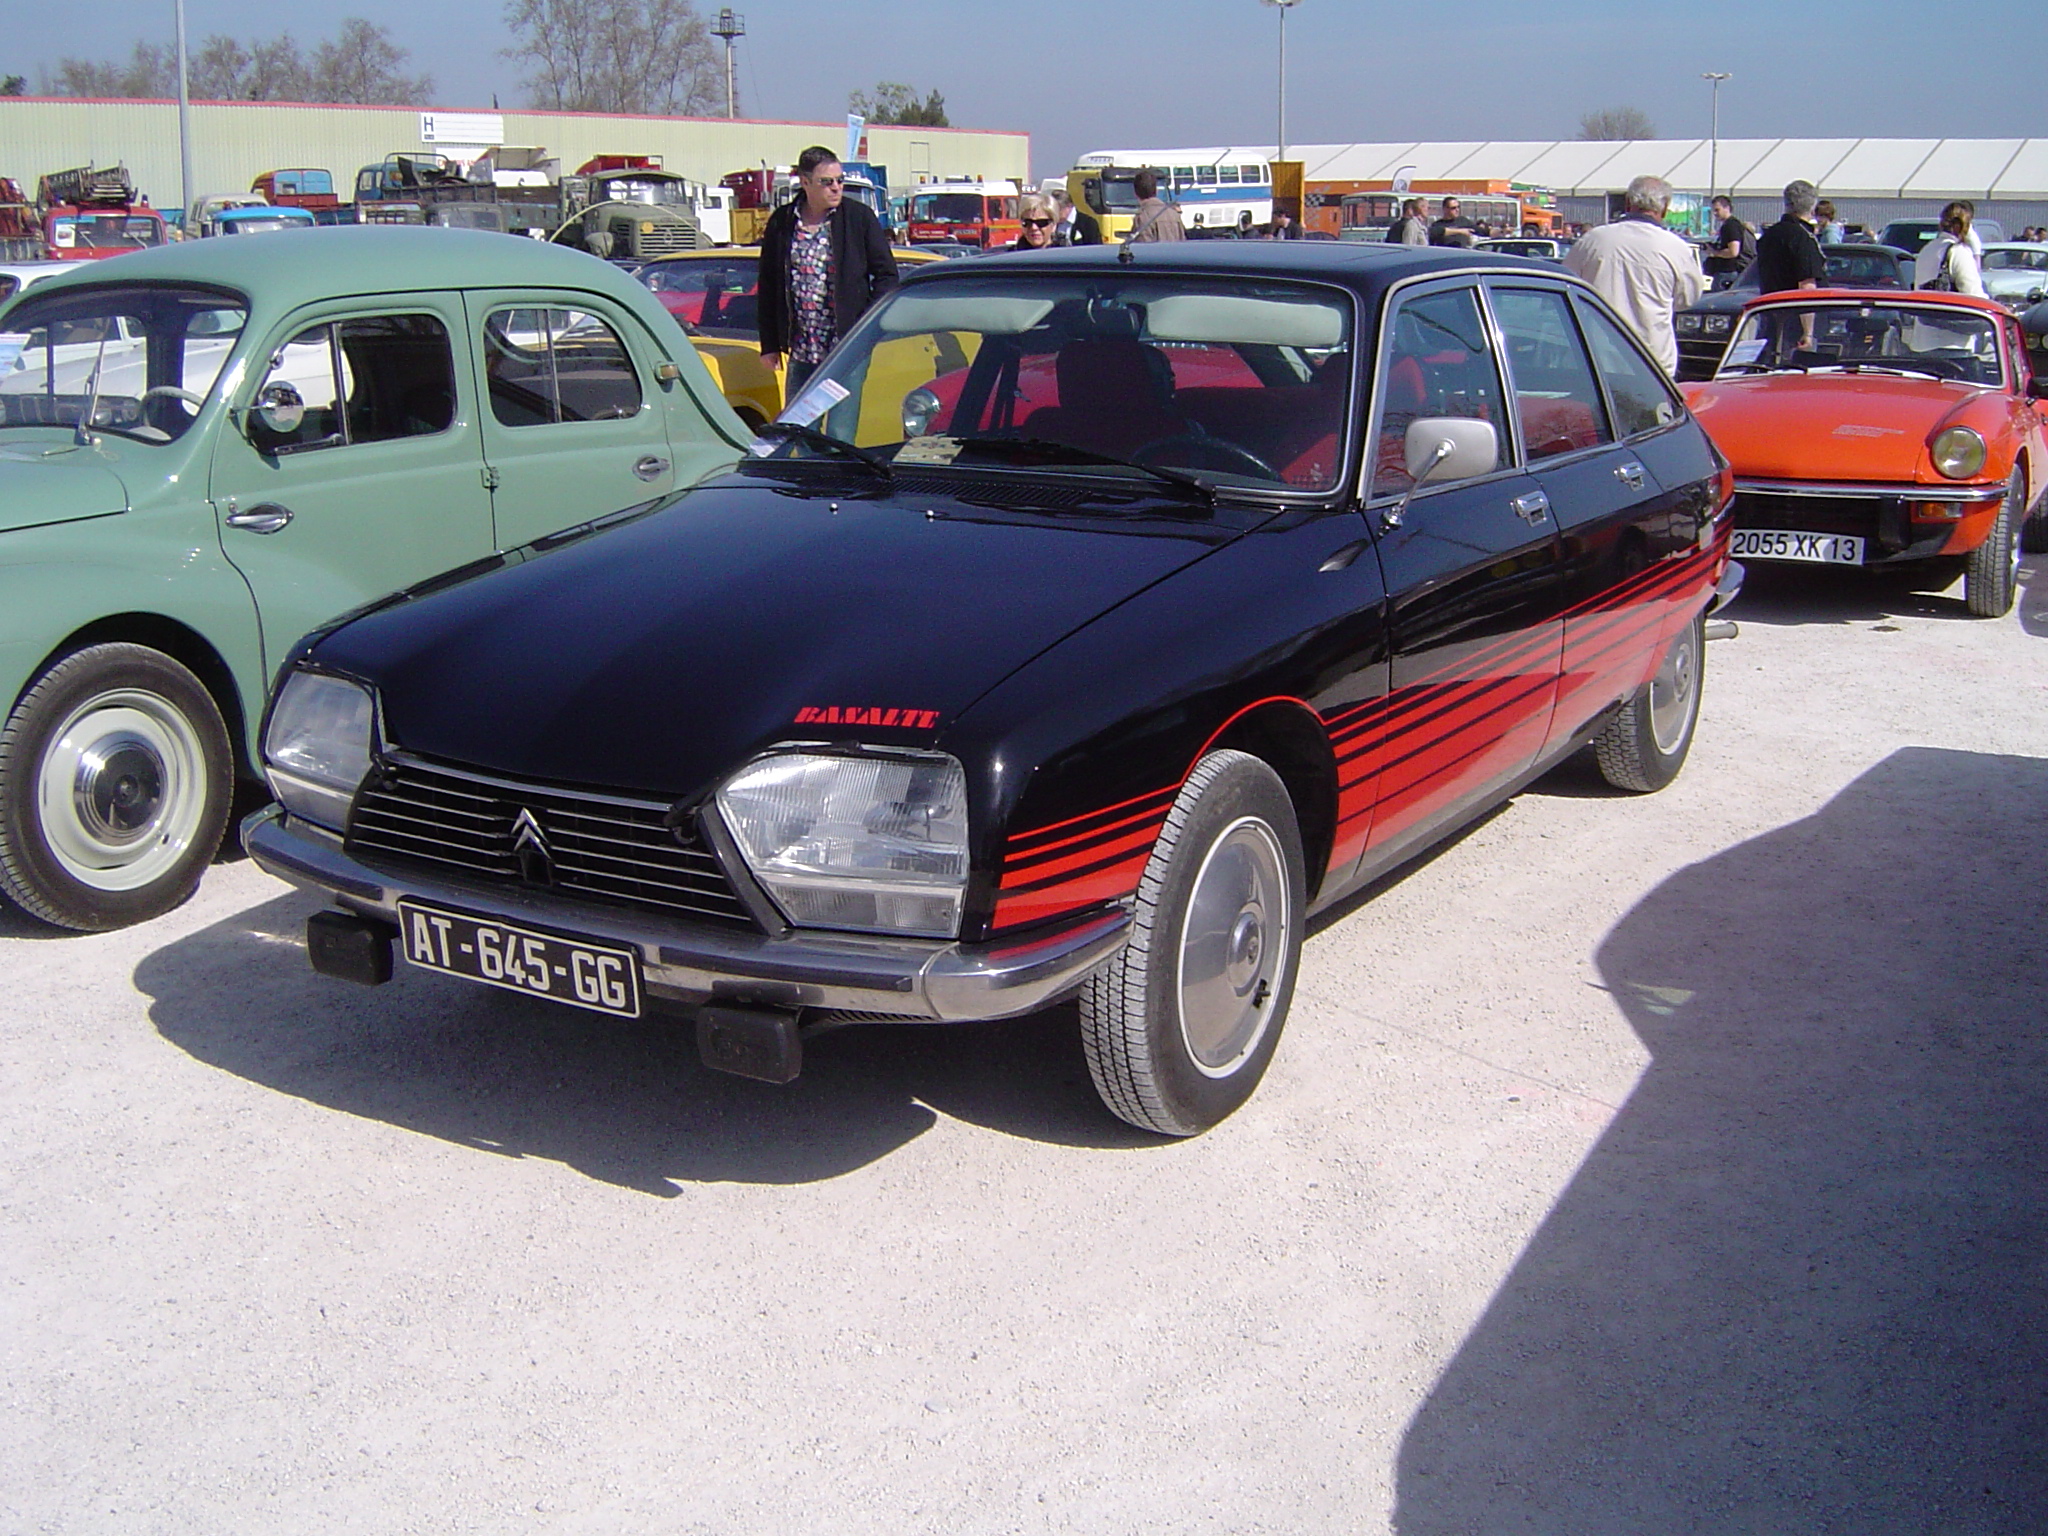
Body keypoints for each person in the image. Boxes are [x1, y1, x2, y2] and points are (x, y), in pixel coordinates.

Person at [757, 145, 898, 399]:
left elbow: (887, 276)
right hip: (803, 350)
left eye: (839, 180)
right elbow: (768, 285)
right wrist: (769, 344)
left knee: (841, 423)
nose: (836, 187)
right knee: (798, 420)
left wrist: (865, 325)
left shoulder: (858, 218)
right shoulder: (782, 221)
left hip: (847, 349)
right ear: (805, 182)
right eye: (826, 182)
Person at [1561, 175, 1704, 376]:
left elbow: (1566, 285)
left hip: (1595, 358)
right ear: (1665, 208)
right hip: (1651, 361)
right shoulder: (1675, 248)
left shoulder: (1593, 240)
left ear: (1628, 203)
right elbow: (1687, 299)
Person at [1753, 180, 1827, 294]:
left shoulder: (1768, 235)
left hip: (1769, 302)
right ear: (1812, 208)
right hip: (1794, 304)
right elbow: (1807, 287)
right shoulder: (1804, 238)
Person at [1916, 202, 1986, 296]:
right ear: (1960, 227)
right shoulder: (1959, 252)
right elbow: (1974, 295)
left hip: (1925, 304)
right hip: (1948, 304)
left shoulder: (1926, 250)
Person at [1701, 195, 1753, 289]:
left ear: (1727, 208)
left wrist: (1714, 253)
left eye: (1717, 210)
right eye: (1713, 210)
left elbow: (1733, 251)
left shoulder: (1731, 225)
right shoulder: (1730, 225)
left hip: (1728, 273)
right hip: (1728, 273)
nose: (1715, 213)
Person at [1126, 168, 1185, 242]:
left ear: (1135, 193)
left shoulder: (1142, 217)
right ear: (1156, 191)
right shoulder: (1174, 215)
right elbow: (1183, 243)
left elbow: (1143, 246)